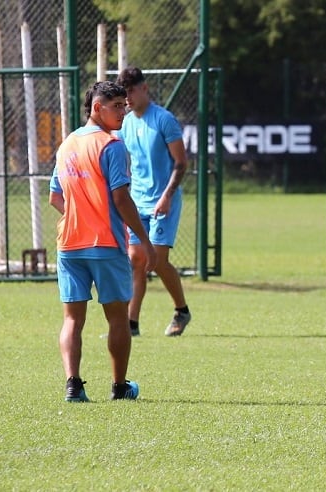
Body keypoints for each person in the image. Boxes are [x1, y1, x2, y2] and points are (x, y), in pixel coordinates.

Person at [50, 80, 157, 402]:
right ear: (98, 108)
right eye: (117, 106)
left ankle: (73, 385)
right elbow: (121, 198)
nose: (123, 111)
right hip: (105, 244)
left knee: (72, 319)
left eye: (125, 105)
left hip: (69, 245)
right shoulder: (112, 146)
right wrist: (145, 241)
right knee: (117, 318)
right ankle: (119, 387)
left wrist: (80, 214)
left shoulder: (66, 144)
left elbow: (55, 197)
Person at [115, 67, 191, 337]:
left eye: (132, 92)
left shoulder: (164, 120)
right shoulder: (125, 123)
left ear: (144, 88)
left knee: (157, 260)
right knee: (136, 259)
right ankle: (130, 324)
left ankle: (181, 310)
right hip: (138, 201)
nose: (128, 99)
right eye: (124, 95)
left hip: (163, 201)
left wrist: (167, 196)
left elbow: (181, 163)